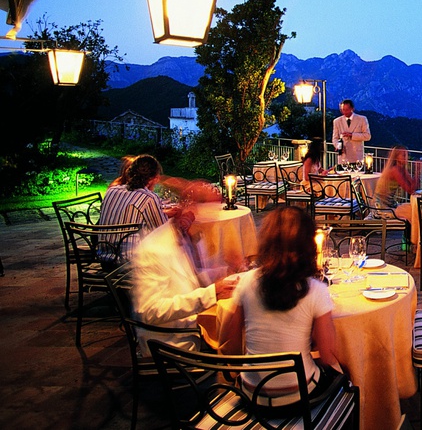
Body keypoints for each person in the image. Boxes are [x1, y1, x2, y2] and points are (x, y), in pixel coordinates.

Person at [228, 207, 343, 405]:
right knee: (345, 378)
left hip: (251, 394)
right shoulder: (315, 290)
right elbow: (326, 355)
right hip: (300, 398)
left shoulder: (246, 281)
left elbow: (229, 346)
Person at [132, 205, 236, 353]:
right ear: (186, 213)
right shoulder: (154, 249)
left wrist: (225, 271)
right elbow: (149, 311)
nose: (208, 230)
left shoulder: (178, 236)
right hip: (170, 343)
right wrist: (210, 294)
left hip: (190, 328)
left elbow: (188, 279)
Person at [99, 154, 175, 261]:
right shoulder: (148, 197)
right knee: (177, 245)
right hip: (128, 258)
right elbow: (161, 230)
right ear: (153, 178)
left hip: (104, 254)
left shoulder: (112, 190)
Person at [375, 145, 422, 221]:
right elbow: (410, 190)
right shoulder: (395, 170)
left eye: (407, 155)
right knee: (414, 213)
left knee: (415, 210)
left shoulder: (401, 168)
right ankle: (414, 232)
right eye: (404, 155)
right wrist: (417, 171)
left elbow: (413, 187)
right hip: (383, 208)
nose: (406, 157)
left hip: (391, 205)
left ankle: (413, 232)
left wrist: (418, 171)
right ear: (396, 157)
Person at [331, 99, 371, 163]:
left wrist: (352, 135)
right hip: (343, 157)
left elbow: (367, 136)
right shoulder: (337, 121)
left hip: (357, 157)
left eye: (346, 110)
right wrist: (338, 146)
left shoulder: (362, 119)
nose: (344, 112)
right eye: (342, 110)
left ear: (352, 109)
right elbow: (335, 138)